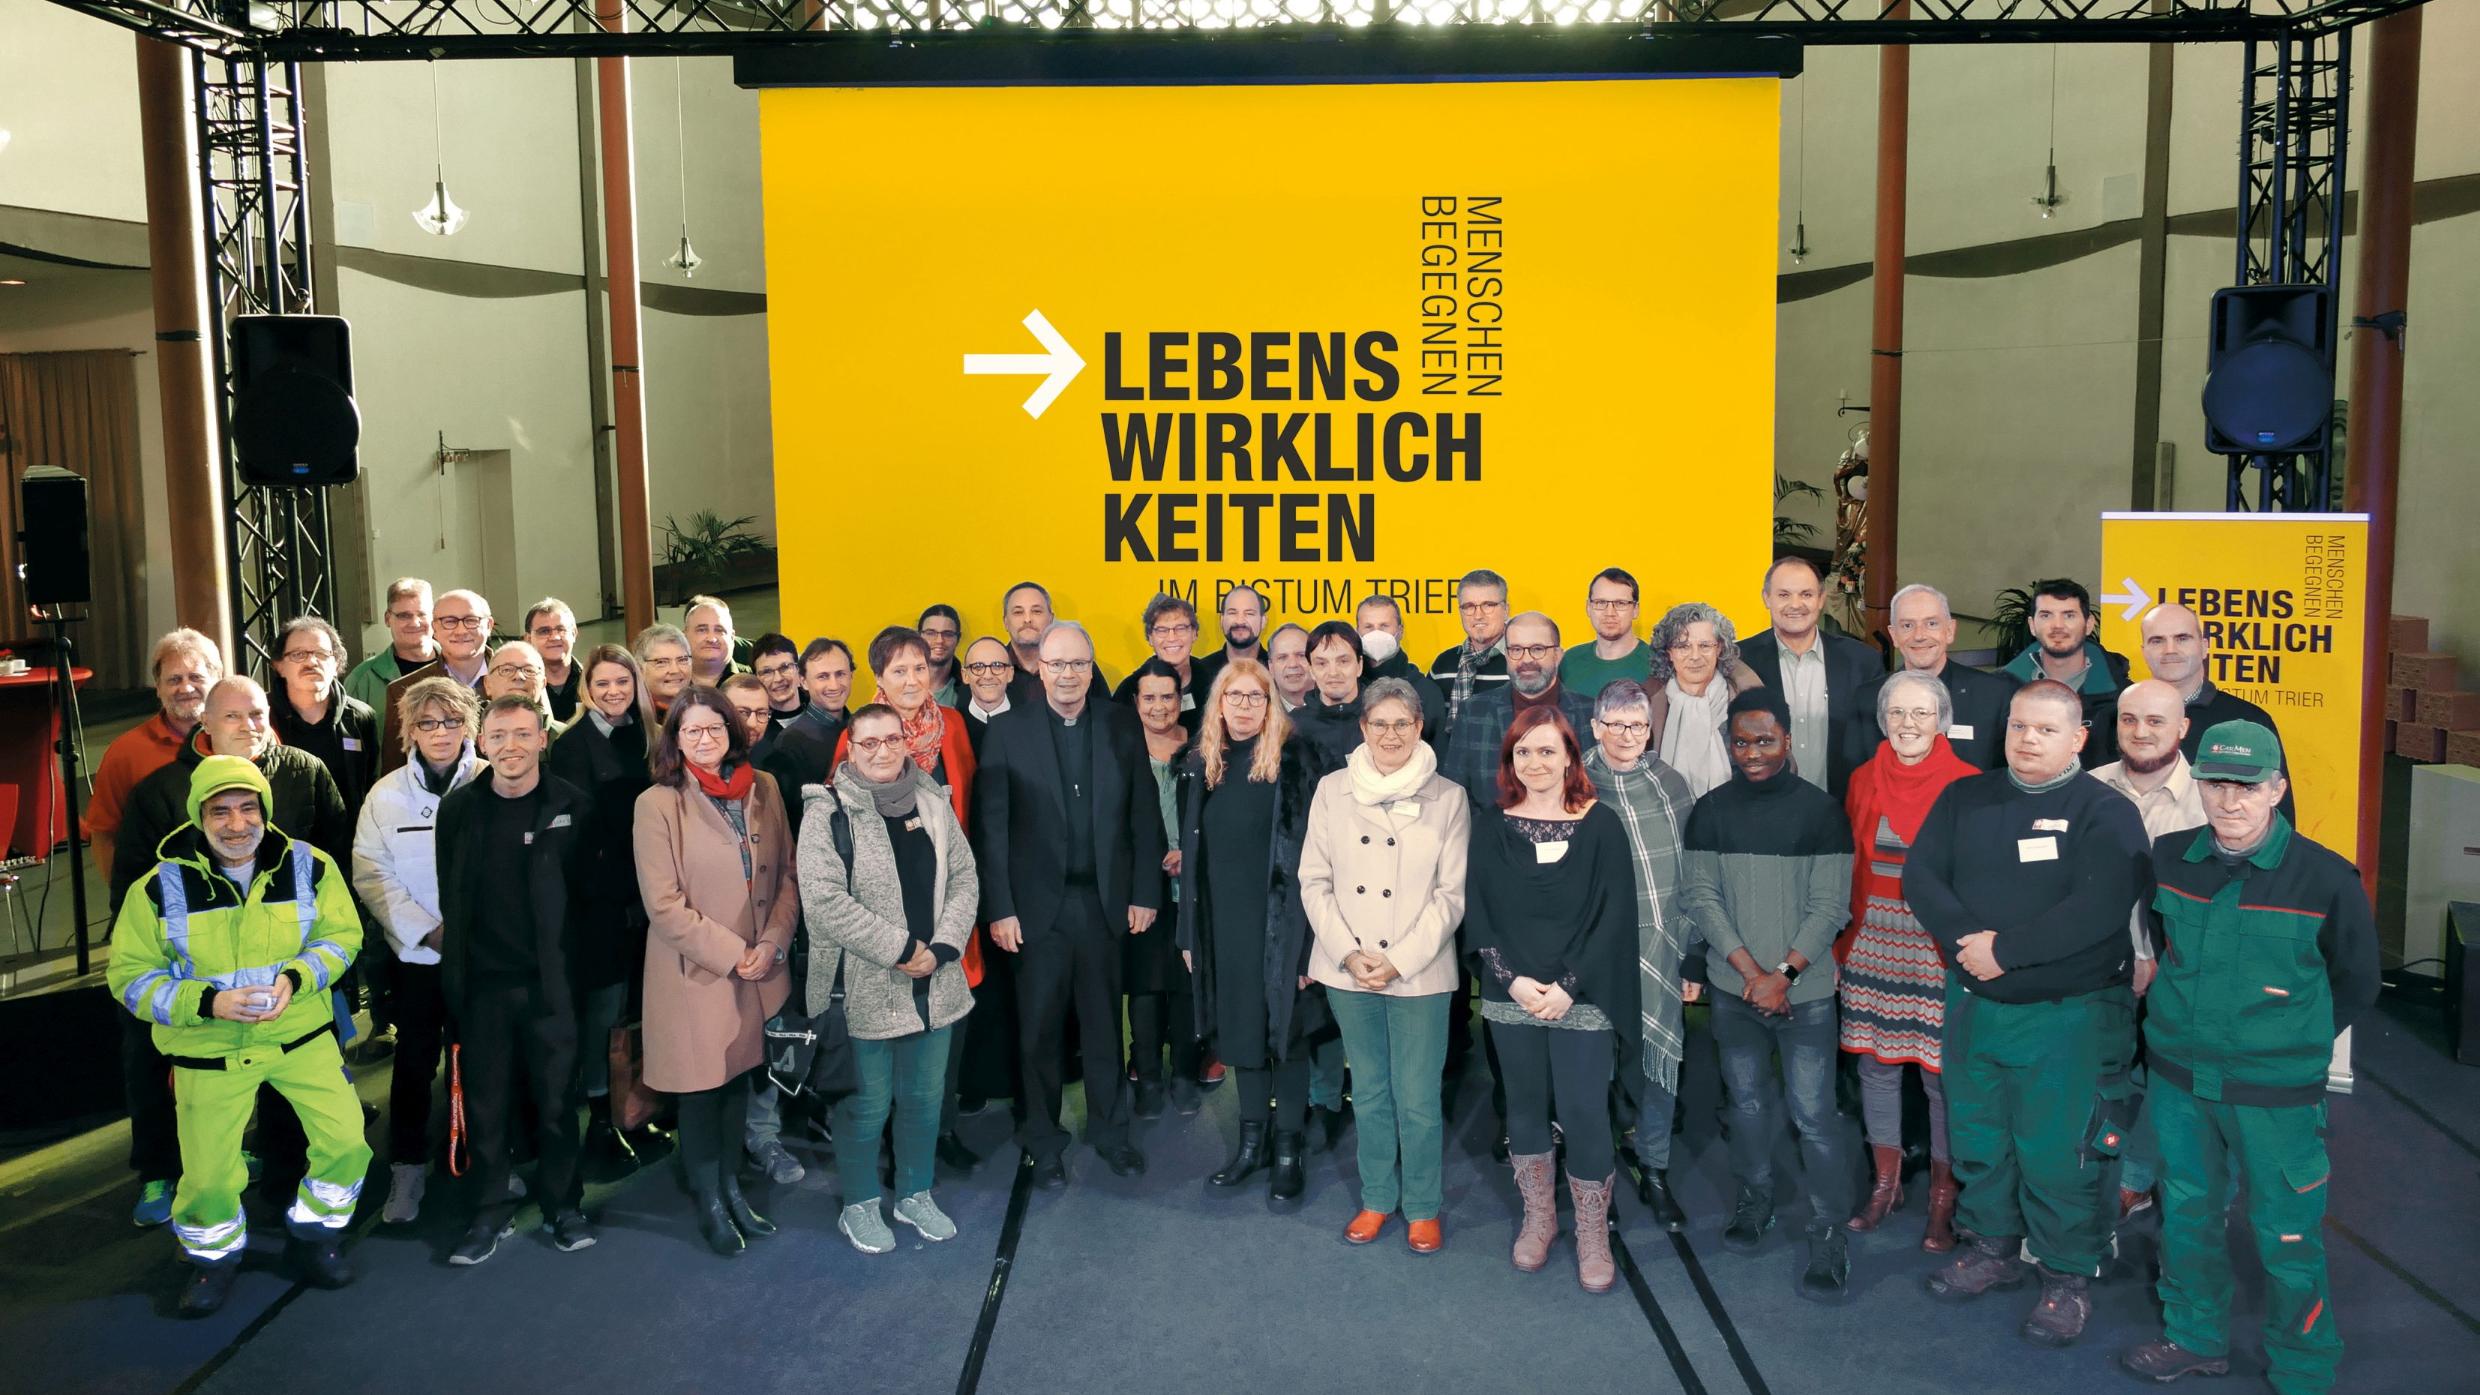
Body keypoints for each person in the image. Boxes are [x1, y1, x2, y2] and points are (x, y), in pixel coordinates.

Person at [2118, 721, 2378, 1393]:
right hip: (2179, 1081)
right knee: (2188, 1216)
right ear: (2197, 782)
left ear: (2277, 789)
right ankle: (2195, 1337)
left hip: (2275, 1093)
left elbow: (2356, 981)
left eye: (2248, 786)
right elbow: (2158, 937)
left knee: (2286, 1235)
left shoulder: (2325, 878)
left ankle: (2302, 1364)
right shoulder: (2169, 857)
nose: (2229, 801)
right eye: (2215, 784)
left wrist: (2287, 1042)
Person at [1907, 679, 2151, 1347]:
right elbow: (1921, 877)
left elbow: (2099, 906)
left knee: (2062, 1152)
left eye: (2045, 729)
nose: (2027, 740)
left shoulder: (2106, 811)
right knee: (1981, 1135)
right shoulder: (1966, 797)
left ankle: (2068, 1276)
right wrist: (1971, 951)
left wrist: (2006, 951)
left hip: (2068, 1016)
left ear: (2078, 738)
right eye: (2018, 726)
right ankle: (1993, 1245)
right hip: (1977, 1005)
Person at [107, 756, 367, 1317]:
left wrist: (294, 980)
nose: (236, 823)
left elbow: (343, 939)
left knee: (347, 1143)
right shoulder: (156, 887)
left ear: (265, 812)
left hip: (301, 1037)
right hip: (209, 1051)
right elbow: (129, 978)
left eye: (248, 808)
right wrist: (208, 1002)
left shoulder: (312, 867)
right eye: (220, 811)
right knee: (206, 1176)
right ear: (199, 817)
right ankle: (213, 1261)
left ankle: (313, 1235)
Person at [1681, 688, 1858, 1299]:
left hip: (1804, 995)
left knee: (1815, 1117)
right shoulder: (1709, 811)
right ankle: (1755, 1201)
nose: (1752, 753)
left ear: (1788, 740)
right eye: (1741, 742)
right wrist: (1749, 971)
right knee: (1749, 1106)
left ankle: (1829, 1230)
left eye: (1765, 740)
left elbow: (1831, 905)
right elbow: (1700, 897)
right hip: (1734, 992)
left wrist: (1781, 974)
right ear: (1728, 745)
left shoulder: (1822, 812)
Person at [974, 620, 1162, 1188]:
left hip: (1104, 906)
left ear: (1091, 665)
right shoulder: (1007, 731)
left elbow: (1144, 814)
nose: (1068, 675)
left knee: (1107, 1028)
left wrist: (1144, 893)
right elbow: (993, 828)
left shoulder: (1121, 723)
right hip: (1035, 914)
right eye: (1056, 664)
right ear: (1038, 668)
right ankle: (1043, 1139)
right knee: (1039, 1032)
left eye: (1079, 664)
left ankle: (1110, 1132)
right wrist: (1000, 908)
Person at [1463, 706, 1637, 1294]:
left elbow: (1614, 917)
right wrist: (1511, 980)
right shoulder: (1491, 824)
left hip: (1582, 996)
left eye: (1545, 750)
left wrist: (1569, 985)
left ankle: (1592, 1231)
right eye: (1522, 752)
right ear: (1510, 761)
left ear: (1569, 755)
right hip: (1511, 992)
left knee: (1586, 1112)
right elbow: (1478, 912)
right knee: (1525, 1106)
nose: (1534, 762)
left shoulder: (1601, 823)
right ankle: (1540, 1217)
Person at [800, 703, 980, 1254]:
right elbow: (825, 900)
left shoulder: (932, 798)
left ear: (906, 742)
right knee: (866, 1105)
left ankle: (914, 1193)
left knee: (925, 1101)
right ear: (849, 750)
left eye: (891, 740)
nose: (882, 751)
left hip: (935, 984)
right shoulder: (827, 811)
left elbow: (964, 877)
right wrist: (903, 949)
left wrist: (943, 948)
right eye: (868, 743)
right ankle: (858, 1204)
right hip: (865, 988)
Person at [1300, 676, 1468, 1252]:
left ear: (1419, 727)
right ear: (1363, 728)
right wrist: (1348, 951)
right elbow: (1313, 879)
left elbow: (1451, 896)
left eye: (1402, 723)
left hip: (1418, 970)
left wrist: (1397, 961)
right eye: (1379, 724)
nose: (1390, 734)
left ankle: (1422, 1205)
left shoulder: (1449, 796)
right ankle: (1376, 1197)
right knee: (1369, 1091)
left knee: (1418, 1096)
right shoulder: (1331, 790)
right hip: (1348, 966)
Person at [633, 687, 798, 1255]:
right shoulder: (656, 804)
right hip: (697, 977)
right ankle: (710, 1201)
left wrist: (774, 941)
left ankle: (733, 1189)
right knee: (702, 1097)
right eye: (692, 731)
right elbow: (664, 907)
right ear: (674, 740)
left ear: (733, 730)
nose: (706, 740)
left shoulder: (765, 788)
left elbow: (788, 879)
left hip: (761, 976)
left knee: (738, 1087)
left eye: (716, 728)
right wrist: (736, 953)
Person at [436, 696, 597, 1264]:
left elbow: (588, 902)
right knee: (486, 1108)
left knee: (557, 1105)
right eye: (498, 735)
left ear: (542, 740)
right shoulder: (458, 811)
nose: (510, 746)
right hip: (482, 990)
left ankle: (563, 1206)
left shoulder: (573, 805)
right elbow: (450, 897)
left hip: (552, 988)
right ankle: (487, 1214)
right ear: (481, 743)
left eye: (523, 734)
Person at [1175, 659, 1327, 1203]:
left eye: (1255, 697)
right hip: (1223, 927)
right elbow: (1193, 860)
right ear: (1218, 704)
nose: (1243, 706)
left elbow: (1318, 857)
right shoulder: (1201, 764)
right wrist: (1190, 936)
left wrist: (1311, 948)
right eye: (1233, 697)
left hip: (1285, 929)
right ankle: (1250, 1146)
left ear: (1271, 705)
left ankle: (1288, 1150)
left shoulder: (1296, 760)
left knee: (1285, 1038)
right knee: (1241, 1036)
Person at [832, 627, 983, 1173]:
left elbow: (967, 815)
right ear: (879, 680)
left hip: (948, 907)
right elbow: (841, 839)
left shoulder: (955, 727)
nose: (913, 679)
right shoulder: (862, 735)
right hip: (885, 923)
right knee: (890, 1039)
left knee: (948, 1027)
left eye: (920, 667)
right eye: (899, 670)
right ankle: (893, 1149)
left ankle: (938, 1131)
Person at [1837, 671, 1977, 1251]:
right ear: (1882, 719)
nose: (1908, 725)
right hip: (1874, 940)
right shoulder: (1863, 778)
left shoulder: (1970, 786)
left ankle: (1943, 1201)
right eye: (1897, 713)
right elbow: (1851, 865)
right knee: (1876, 1068)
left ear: (1941, 720)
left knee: (1941, 1079)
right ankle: (1886, 1186)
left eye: (1921, 713)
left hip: (1937, 950)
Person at [352, 677, 487, 1225]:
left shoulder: (492, 780)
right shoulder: (385, 796)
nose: (440, 733)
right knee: (412, 1066)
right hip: (418, 961)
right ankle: (407, 1168)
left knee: (484, 1060)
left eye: (452, 722)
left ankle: (486, 1158)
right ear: (409, 730)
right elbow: (371, 872)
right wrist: (426, 931)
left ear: (468, 728)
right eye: (428, 723)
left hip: (483, 957)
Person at [1580, 679, 1698, 1229]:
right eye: (1616, 724)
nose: (1628, 735)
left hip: (1660, 943)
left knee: (1658, 1065)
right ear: (1596, 726)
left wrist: (1692, 952)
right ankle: (1593, 1179)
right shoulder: (1571, 780)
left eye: (1639, 725)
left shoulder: (1670, 783)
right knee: (1591, 1067)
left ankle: (1654, 1168)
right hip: (1590, 950)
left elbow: (1692, 872)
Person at [2090, 677, 2206, 1224]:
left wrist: (2155, 956)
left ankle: (2135, 1180)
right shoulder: (2083, 789)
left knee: (2162, 1082)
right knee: (2099, 1080)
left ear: (2183, 728)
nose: (2140, 732)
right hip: (2094, 971)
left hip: (2181, 976)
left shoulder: (2212, 802)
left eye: (2156, 721)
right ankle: (2096, 1177)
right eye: (2129, 719)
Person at [544, 643, 660, 1175]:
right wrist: (618, 899)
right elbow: (576, 842)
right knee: (602, 1017)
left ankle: (634, 1109)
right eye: (603, 683)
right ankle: (600, 1121)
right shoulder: (572, 746)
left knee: (638, 1010)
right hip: (599, 909)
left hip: (650, 900)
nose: (614, 692)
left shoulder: (648, 735)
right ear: (587, 688)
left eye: (623, 681)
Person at [87, 628, 221, 897]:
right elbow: (104, 835)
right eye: (173, 679)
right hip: (162, 903)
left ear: (217, 680)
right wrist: (126, 902)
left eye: (195, 677)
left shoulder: (251, 737)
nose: (185, 688)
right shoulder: (125, 752)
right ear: (158, 688)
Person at [2127, 602, 2294, 817]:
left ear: (2204, 646)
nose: (2170, 650)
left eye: (2182, 638)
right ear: (2144, 651)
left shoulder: (2249, 720)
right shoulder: (2119, 720)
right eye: (2157, 640)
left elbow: (2279, 816)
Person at [1738, 556, 1883, 796]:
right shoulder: (1739, 661)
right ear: (1766, 599)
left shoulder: (1863, 662)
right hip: (1765, 806)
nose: (1796, 604)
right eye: (1784, 595)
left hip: (1841, 809)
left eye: (1806, 594)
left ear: (1821, 600)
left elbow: (1874, 744)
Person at [1128, 660, 1203, 1116]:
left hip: (1192, 890)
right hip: (1140, 891)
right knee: (1145, 987)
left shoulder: (1201, 749)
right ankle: (1148, 1077)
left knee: (1187, 985)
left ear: (1181, 699)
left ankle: (1185, 1074)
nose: (1159, 707)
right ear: (1136, 702)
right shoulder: (1121, 750)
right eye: (1149, 697)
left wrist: (1190, 858)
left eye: (1167, 697)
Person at [1846, 583, 2020, 773]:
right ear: (1894, 635)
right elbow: (1854, 777)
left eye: (1931, 624)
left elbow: (2007, 777)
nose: (1919, 635)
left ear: (1950, 630)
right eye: (1907, 625)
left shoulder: (1993, 695)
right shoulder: (1868, 698)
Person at [1445, 611, 1598, 809]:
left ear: (1558, 655)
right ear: (1506, 655)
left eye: (1537, 649)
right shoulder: (1473, 711)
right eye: (1516, 649)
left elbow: (1599, 794)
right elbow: (1456, 796)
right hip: (1492, 836)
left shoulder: (1591, 713)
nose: (1526, 660)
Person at [2000, 579, 2129, 766]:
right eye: (2046, 615)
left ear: (2089, 624)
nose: (2057, 625)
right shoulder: (1997, 690)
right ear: (2032, 625)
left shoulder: (2122, 697)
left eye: (2069, 615)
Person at [1643, 601, 1765, 798]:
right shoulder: (1647, 705)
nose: (1695, 656)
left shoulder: (1750, 706)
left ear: (1720, 649)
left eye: (1705, 645)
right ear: (1669, 654)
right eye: (1683, 646)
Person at [269, 615, 381, 821]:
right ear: (279, 665)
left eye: (321, 654)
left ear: (337, 663)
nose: (311, 662)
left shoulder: (360, 718)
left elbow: (370, 787)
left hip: (347, 843)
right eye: (298, 654)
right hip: (282, 843)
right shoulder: (262, 718)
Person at [380, 588, 493, 773]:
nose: (461, 630)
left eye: (471, 620)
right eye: (449, 622)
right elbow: (396, 770)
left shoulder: (519, 673)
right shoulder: (403, 690)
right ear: (435, 628)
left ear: (489, 624)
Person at [1428, 567, 1511, 732]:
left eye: (1488, 605)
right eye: (1469, 606)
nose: (1478, 615)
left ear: (1506, 610)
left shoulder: (1522, 661)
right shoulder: (1443, 664)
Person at [770, 636, 856, 790]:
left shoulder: (864, 728)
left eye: (840, 674)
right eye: (823, 676)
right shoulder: (790, 742)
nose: (834, 685)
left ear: (851, 676)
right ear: (803, 681)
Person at [1353, 594, 1446, 737]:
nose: (1376, 633)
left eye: (1384, 626)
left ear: (1400, 631)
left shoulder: (1426, 692)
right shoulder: (1348, 688)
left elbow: (1438, 753)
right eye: (1368, 627)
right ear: (1357, 632)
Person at [1112, 592, 1205, 732]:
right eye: (1162, 630)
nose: (1172, 638)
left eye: (1180, 628)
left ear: (1195, 633)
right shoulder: (1129, 690)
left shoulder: (1214, 681)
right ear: (1150, 638)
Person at [1558, 566, 1653, 702]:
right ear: (1588, 608)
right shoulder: (1569, 661)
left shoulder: (1655, 663)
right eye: (1600, 603)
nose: (1609, 613)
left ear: (1635, 610)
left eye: (1620, 603)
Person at [344, 577, 438, 709]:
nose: (415, 623)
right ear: (387, 619)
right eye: (404, 615)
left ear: (434, 616)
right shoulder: (362, 680)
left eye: (422, 614)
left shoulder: (458, 667)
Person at [1295, 620, 1371, 772]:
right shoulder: (1292, 727)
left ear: (1359, 665)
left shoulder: (1385, 719)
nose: (1333, 673)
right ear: (1311, 671)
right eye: (1322, 664)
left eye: (1343, 661)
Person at [1190, 583, 1268, 695]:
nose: (1240, 621)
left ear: (1263, 621)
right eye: (1232, 613)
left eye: (1249, 614)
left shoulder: (1277, 671)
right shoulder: (1200, 672)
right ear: (1222, 620)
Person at [523, 598, 583, 724]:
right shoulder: (521, 687)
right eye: (544, 631)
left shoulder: (592, 680)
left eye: (561, 629)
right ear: (528, 639)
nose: (555, 637)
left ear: (574, 634)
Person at [483, 640, 561, 735]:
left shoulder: (567, 738)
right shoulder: (466, 736)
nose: (519, 676)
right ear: (487, 684)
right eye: (507, 670)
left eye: (529, 670)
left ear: (543, 684)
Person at [958, 635, 1014, 754]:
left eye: (997, 666)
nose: (988, 676)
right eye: (978, 667)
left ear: (1010, 673)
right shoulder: (951, 727)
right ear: (965, 675)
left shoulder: (1033, 723)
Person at [749, 632, 806, 739]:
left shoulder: (827, 713)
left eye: (785, 667)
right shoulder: (753, 731)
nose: (778, 679)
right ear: (756, 679)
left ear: (799, 671)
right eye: (767, 672)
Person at [634, 622, 695, 720]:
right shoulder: (631, 718)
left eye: (682, 660)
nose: (675, 670)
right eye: (662, 662)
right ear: (640, 670)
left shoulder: (705, 708)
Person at [684, 595, 743, 686]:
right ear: (684, 636)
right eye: (702, 630)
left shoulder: (757, 680)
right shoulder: (667, 682)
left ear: (732, 638)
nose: (711, 639)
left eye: (719, 630)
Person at [917, 604, 966, 709]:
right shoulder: (902, 684)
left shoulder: (968, 691)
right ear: (919, 637)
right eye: (930, 633)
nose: (939, 640)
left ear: (958, 639)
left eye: (947, 634)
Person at [1265, 622, 1315, 713]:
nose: (1293, 664)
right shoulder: (1260, 714)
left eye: (1301, 655)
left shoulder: (1336, 709)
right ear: (1271, 668)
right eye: (1282, 657)